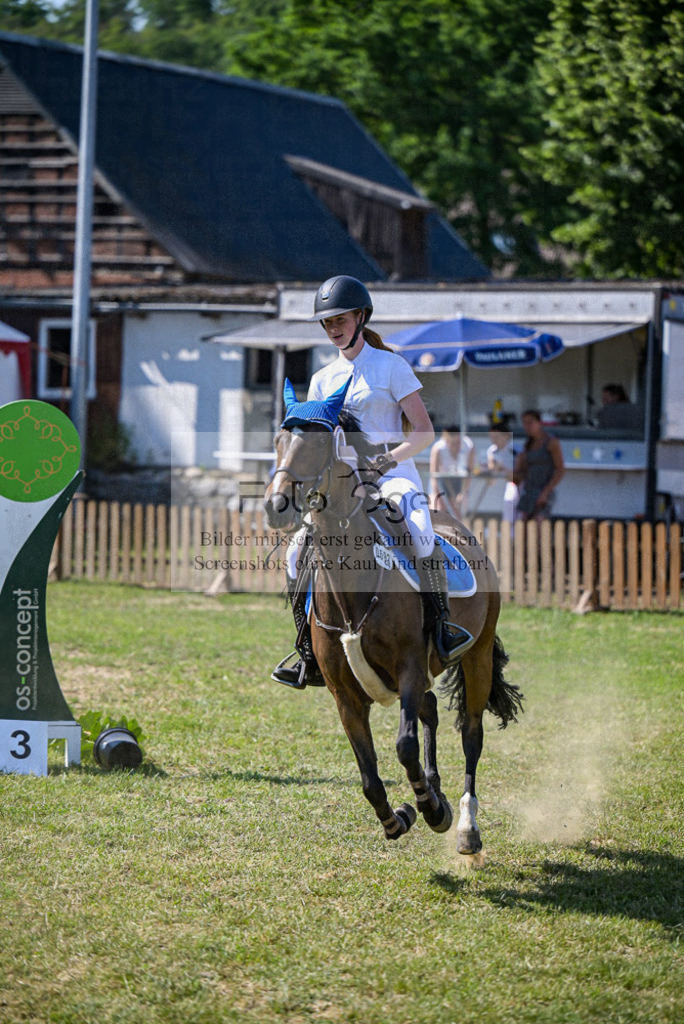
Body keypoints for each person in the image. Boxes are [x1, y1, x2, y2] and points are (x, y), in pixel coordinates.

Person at [272, 274, 473, 689]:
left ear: (360, 317)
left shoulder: (391, 366)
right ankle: (306, 651)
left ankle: (442, 630)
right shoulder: (322, 380)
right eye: (326, 322)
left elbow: (423, 433)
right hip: (340, 487)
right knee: (295, 554)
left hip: (393, 477)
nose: (333, 328)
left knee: (419, 535)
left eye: (340, 319)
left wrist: (385, 461)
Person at [513, 409, 565, 522]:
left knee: (538, 527)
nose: (527, 426)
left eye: (530, 422)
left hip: (544, 492)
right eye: (524, 423)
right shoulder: (528, 445)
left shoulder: (551, 442)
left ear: (539, 423)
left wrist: (546, 492)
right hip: (528, 492)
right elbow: (522, 473)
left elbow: (560, 470)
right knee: (525, 530)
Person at [429, 424, 475, 516]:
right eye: (453, 443)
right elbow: (434, 475)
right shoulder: (438, 448)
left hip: (460, 481)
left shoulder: (468, 446)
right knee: (438, 510)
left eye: (458, 442)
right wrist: (438, 495)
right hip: (441, 481)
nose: (456, 446)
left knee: (458, 511)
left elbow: (470, 472)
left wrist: (462, 493)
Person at [486, 418, 519, 524]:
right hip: (498, 484)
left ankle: (510, 534)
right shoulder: (492, 450)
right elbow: (491, 469)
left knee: (509, 501)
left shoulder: (515, 450)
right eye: (492, 437)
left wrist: (502, 468)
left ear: (506, 435)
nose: (494, 440)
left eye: (497, 437)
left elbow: (518, 472)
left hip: (513, 483)